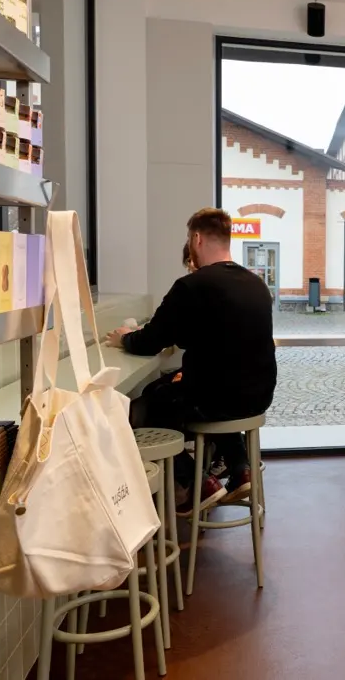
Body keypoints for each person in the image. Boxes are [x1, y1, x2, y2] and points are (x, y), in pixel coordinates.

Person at [106, 208, 277, 512]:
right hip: (258, 397)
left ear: (196, 239)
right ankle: (241, 470)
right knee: (208, 394)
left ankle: (198, 483)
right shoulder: (257, 285)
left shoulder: (191, 286)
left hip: (214, 400)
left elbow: (149, 342)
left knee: (147, 405)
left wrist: (123, 337)